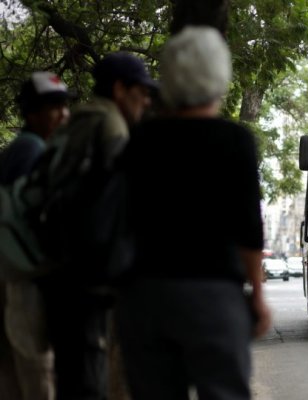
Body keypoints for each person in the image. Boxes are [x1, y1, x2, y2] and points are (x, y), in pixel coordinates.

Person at [115, 26, 271, 400]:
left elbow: (123, 218)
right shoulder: (235, 141)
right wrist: (257, 295)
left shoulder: (139, 140)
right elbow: (249, 230)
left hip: (145, 296)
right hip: (214, 297)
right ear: (221, 75)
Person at [36, 52, 155, 400]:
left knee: (73, 375)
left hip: (63, 269)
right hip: (88, 275)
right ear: (119, 89)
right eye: (141, 91)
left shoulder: (81, 121)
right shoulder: (110, 127)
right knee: (88, 381)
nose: (146, 100)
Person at [0, 71, 71, 400]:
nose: (63, 114)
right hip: (25, 285)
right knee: (39, 376)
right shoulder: (33, 152)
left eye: (64, 105)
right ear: (32, 113)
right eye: (53, 107)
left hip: (12, 279)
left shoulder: (20, 149)